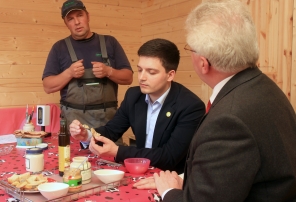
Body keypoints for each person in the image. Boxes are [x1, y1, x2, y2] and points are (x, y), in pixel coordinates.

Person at [133, 0, 296, 201]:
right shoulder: (264, 87)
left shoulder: (228, 121)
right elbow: (235, 173)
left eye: (190, 49)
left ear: (203, 63)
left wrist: (169, 192)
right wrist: (185, 180)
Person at [69, 38, 205, 174]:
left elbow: (169, 157)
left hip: (170, 178)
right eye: (140, 70)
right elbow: (112, 130)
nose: (142, 78)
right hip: (138, 171)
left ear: (170, 75)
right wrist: (86, 135)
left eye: (151, 72)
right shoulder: (133, 95)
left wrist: (118, 151)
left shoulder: (191, 106)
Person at [42, 0, 133, 129]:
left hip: (108, 124)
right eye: (70, 19)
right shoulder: (59, 48)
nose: (77, 22)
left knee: (111, 149)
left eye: (80, 15)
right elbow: (47, 86)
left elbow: (128, 77)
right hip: (74, 124)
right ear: (66, 23)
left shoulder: (110, 42)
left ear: (88, 16)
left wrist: (109, 72)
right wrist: (69, 73)